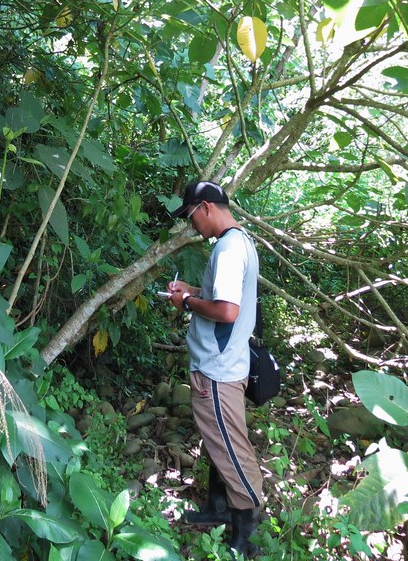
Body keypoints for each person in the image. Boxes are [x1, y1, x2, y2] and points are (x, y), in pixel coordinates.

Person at [167, 180, 263, 558]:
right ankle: (218, 509)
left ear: (206, 207)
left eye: (191, 216)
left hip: (218, 371)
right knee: (217, 440)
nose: (192, 226)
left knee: (231, 447)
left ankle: (246, 535)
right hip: (225, 363)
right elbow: (225, 298)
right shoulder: (241, 242)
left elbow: (227, 311)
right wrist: (194, 290)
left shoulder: (227, 250)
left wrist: (188, 300)